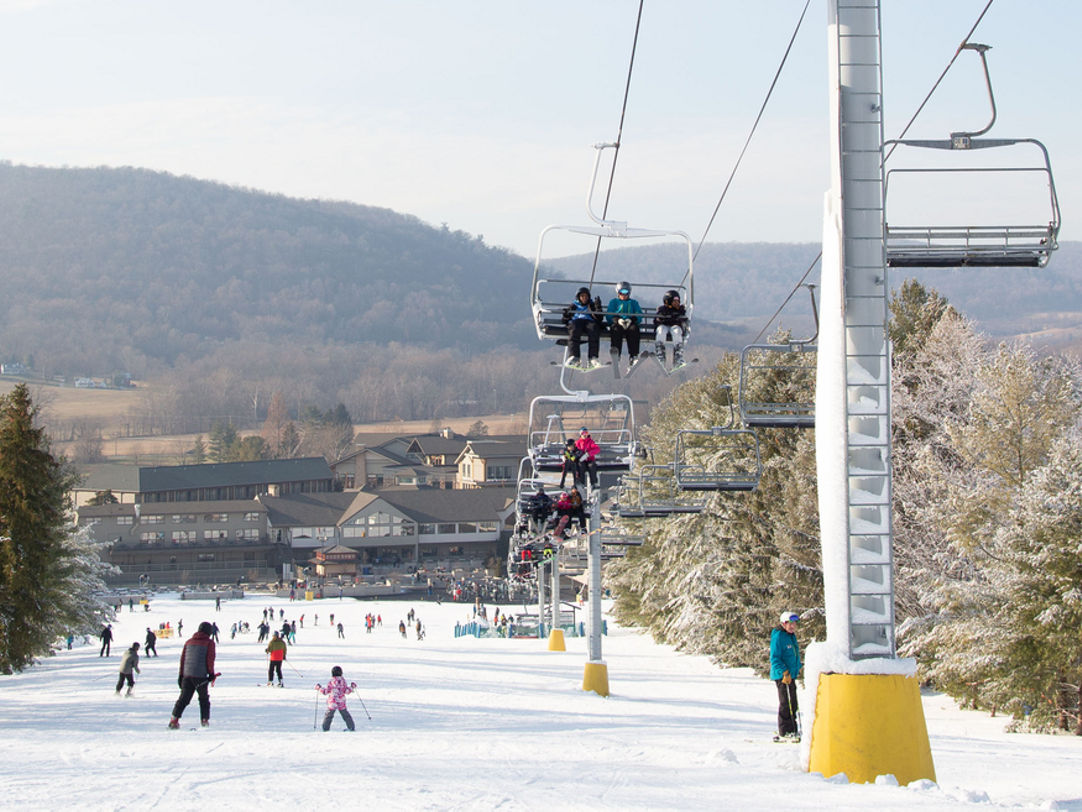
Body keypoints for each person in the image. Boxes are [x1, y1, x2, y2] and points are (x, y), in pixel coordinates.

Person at [168, 621, 217, 729]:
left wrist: (181, 675)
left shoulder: (188, 642)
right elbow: (210, 659)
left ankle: (174, 720)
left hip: (187, 675)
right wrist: (211, 674)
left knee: (183, 699)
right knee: (204, 699)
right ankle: (204, 721)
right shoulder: (209, 643)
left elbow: (183, 660)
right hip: (200, 677)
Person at [770, 611, 802, 742]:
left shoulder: (791, 636)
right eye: (790, 624)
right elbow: (775, 658)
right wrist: (785, 672)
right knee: (786, 703)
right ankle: (785, 731)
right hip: (782, 676)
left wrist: (797, 667)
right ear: (783, 624)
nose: (792, 626)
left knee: (793, 702)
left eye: (794, 624)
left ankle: (792, 729)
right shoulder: (778, 637)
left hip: (791, 675)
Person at [561, 287, 604, 370]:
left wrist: (598, 307)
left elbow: (599, 318)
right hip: (577, 321)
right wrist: (566, 314)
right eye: (582, 296)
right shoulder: (574, 305)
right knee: (574, 331)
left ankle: (592, 358)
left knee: (594, 330)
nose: (584, 298)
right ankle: (574, 357)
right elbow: (565, 320)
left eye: (586, 296)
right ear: (578, 297)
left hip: (589, 321)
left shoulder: (591, 305)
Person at [606, 281, 644, 372]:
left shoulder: (633, 303)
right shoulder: (614, 302)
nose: (623, 295)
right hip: (618, 323)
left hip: (630, 323)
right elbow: (609, 314)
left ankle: (633, 356)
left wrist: (632, 319)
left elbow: (639, 314)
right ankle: (616, 355)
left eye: (626, 293)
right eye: (621, 293)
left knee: (634, 330)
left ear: (629, 293)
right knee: (616, 330)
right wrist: (617, 320)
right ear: (618, 293)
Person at [654, 289, 689, 371]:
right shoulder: (662, 309)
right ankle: (660, 354)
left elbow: (683, 319)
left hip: (675, 327)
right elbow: (657, 320)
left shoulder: (680, 310)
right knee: (661, 330)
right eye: (675, 301)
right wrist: (663, 319)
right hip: (664, 326)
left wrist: (676, 317)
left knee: (676, 331)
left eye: (678, 301)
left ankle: (678, 356)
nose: (677, 303)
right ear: (668, 301)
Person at [315, 666, 357, 732]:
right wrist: (352, 687)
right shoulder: (343, 681)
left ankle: (325, 728)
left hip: (333, 702)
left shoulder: (331, 682)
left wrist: (319, 688)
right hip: (341, 701)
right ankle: (351, 727)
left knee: (329, 715)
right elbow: (346, 691)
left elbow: (326, 691)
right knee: (346, 715)